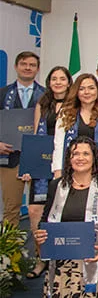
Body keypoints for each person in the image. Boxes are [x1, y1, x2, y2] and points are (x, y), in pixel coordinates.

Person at [33, 136, 98, 297]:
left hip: (97, 264)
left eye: (86, 154)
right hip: (62, 268)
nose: (80, 158)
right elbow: (45, 221)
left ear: (94, 159)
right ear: (69, 158)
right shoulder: (56, 186)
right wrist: (40, 235)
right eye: (75, 154)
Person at [20, 65, 70, 279]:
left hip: (67, 164)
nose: (58, 82)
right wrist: (29, 166)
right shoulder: (43, 103)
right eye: (54, 78)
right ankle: (41, 259)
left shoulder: (75, 104)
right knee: (35, 211)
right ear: (49, 82)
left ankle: (64, 260)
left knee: (64, 213)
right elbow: (35, 137)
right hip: (42, 166)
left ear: (69, 82)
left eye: (62, 78)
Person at [0, 51, 44, 226]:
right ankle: (9, 253)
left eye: (32, 65)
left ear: (37, 69)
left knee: (39, 208)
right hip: (10, 157)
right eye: (24, 64)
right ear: (16, 67)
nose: (28, 68)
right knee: (11, 208)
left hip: (39, 160)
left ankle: (40, 253)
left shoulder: (46, 95)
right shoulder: (2, 94)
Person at [52, 74, 98, 178]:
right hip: (71, 169)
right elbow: (59, 145)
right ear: (76, 92)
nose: (87, 92)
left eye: (91, 88)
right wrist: (57, 170)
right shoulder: (65, 113)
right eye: (82, 89)